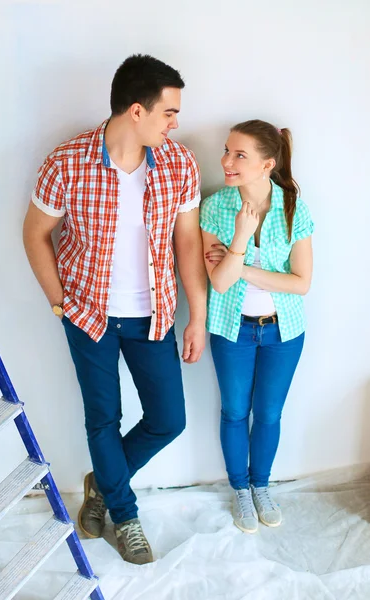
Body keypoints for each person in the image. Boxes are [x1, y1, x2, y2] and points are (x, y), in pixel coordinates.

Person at [23, 54, 207, 563]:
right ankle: (125, 518)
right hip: (89, 315)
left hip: (155, 316)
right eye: (169, 112)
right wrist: (60, 302)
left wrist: (198, 314)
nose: (176, 122)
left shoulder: (178, 163)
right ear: (136, 111)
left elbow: (187, 243)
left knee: (168, 419)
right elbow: (35, 234)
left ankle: (102, 483)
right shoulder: (68, 162)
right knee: (103, 419)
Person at [200, 119, 313, 534]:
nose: (226, 161)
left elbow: (301, 283)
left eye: (239, 155)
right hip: (232, 330)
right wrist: (242, 235)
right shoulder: (215, 207)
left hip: (284, 332)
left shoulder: (293, 207)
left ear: (267, 164)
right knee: (234, 412)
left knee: (268, 414)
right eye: (227, 151)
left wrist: (241, 265)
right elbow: (219, 282)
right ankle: (241, 490)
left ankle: (261, 485)